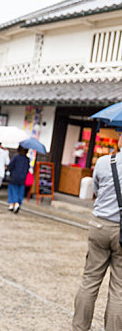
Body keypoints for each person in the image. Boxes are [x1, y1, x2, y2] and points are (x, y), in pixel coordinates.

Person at [72, 134, 122, 331]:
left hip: (100, 225)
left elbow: (97, 188)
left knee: (90, 280)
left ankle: (79, 328)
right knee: (119, 288)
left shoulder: (103, 162)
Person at [7, 146, 30, 213]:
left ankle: (14, 203)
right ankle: (16, 203)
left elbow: (10, 166)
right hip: (23, 178)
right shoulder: (27, 159)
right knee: (20, 191)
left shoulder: (16, 157)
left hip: (14, 177)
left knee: (13, 190)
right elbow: (28, 168)